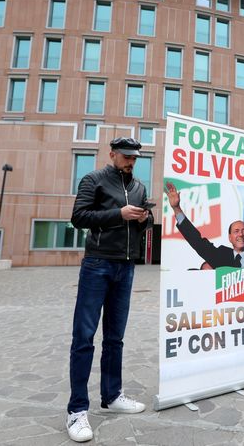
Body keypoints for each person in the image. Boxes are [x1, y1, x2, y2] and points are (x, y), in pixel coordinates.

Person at [66, 137, 153, 443]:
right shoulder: (94, 180)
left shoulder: (140, 187)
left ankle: (112, 396)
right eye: (126, 156)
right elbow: (79, 217)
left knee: (115, 338)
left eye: (135, 157)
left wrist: (145, 218)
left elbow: (142, 224)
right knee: (84, 338)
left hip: (126, 267)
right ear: (112, 154)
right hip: (97, 265)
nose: (131, 161)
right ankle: (77, 410)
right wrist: (119, 214)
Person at [165, 181, 244, 269]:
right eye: (236, 231)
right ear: (230, 238)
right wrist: (176, 208)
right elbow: (197, 242)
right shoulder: (220, 255)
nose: (241, 234)